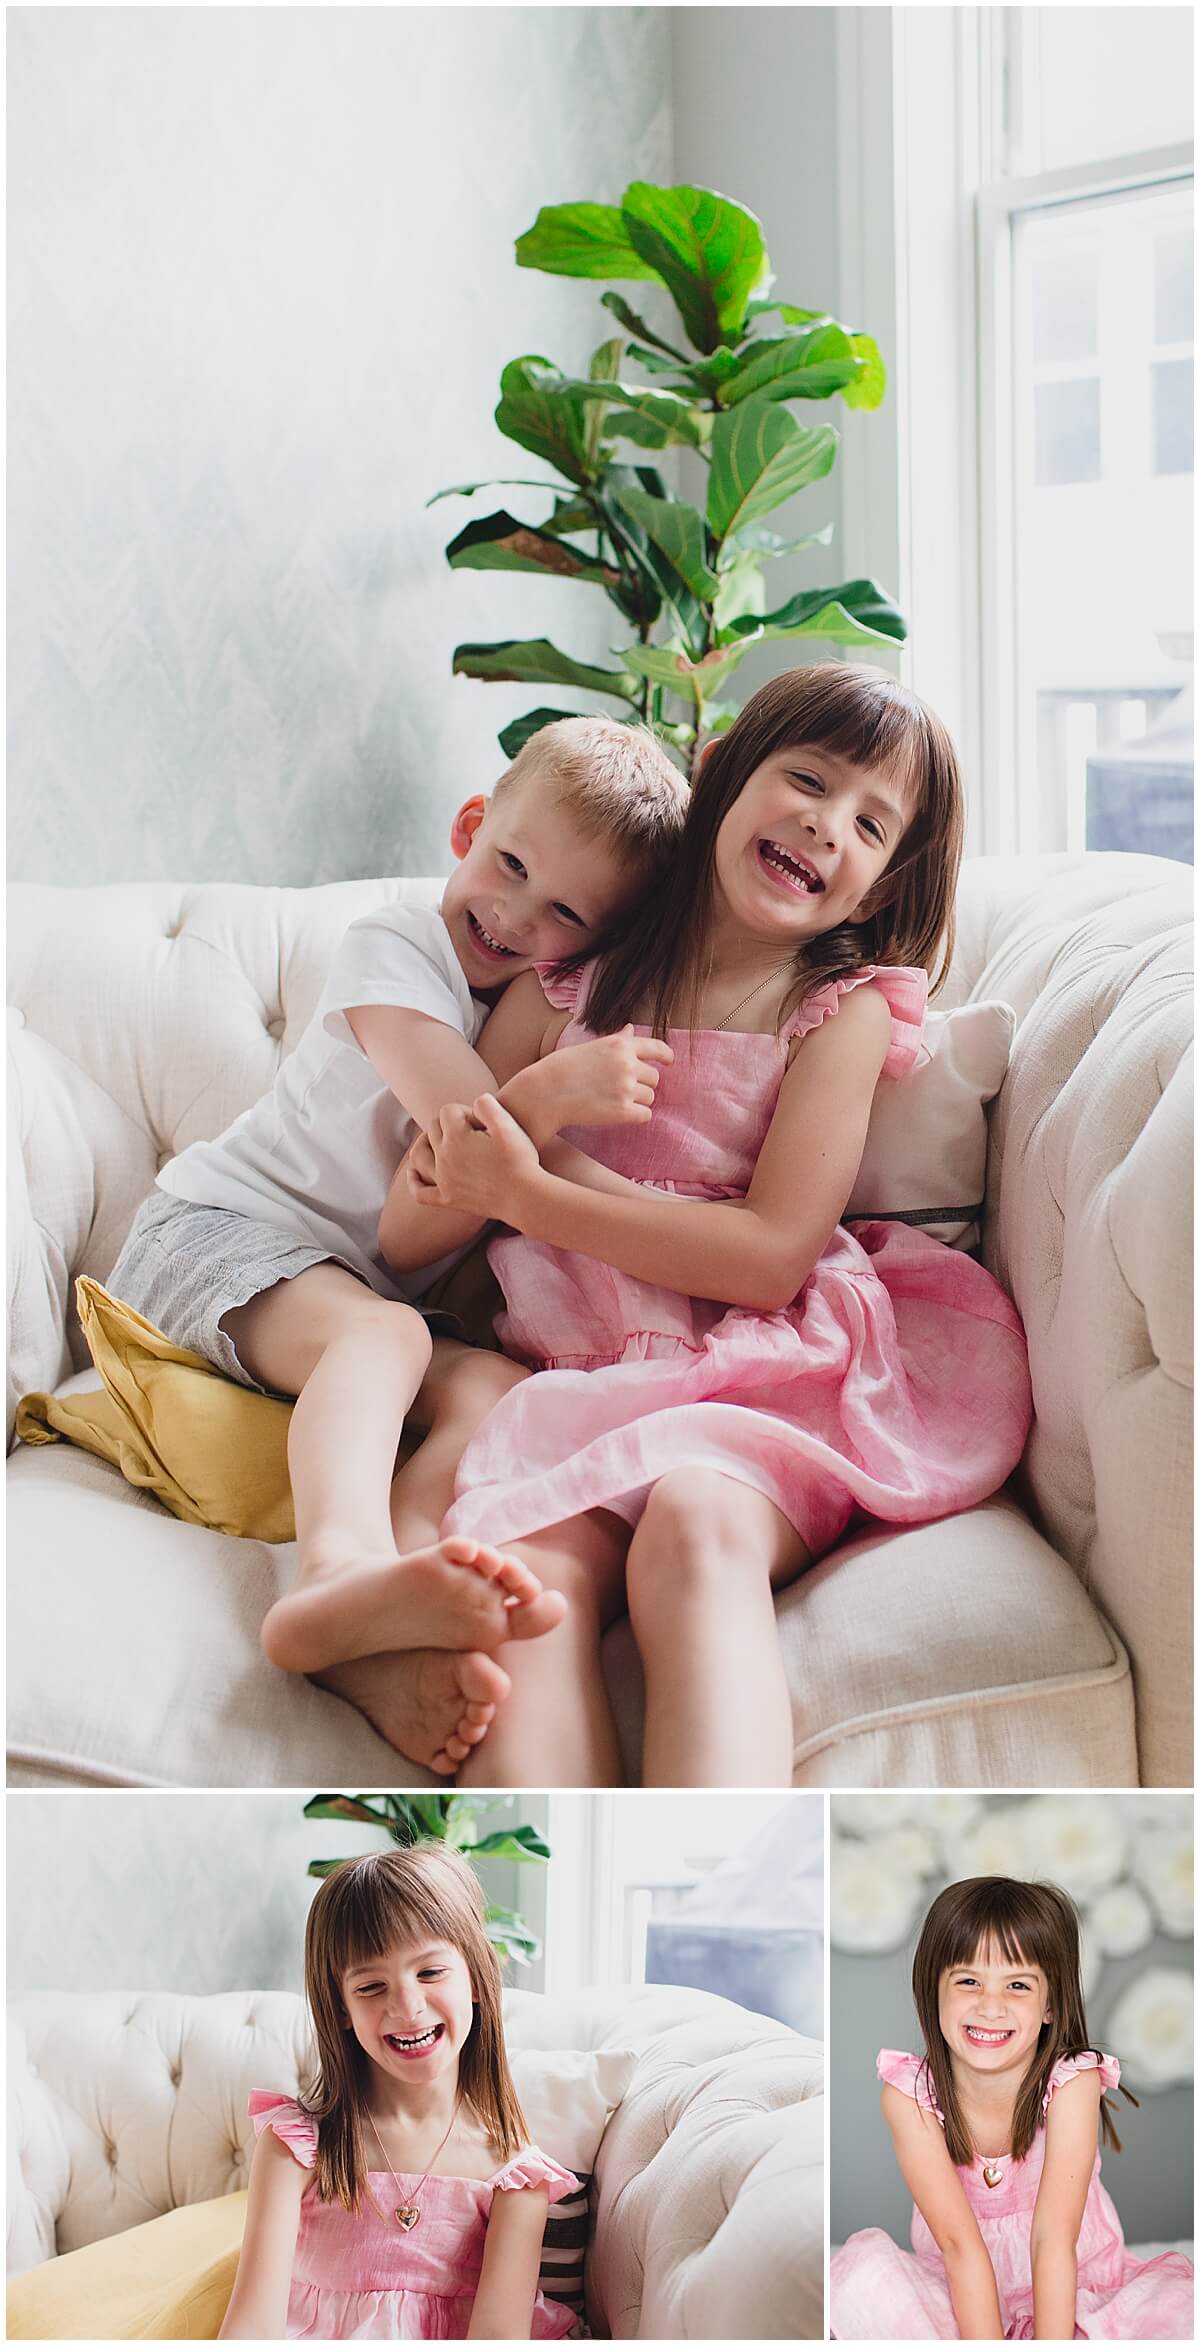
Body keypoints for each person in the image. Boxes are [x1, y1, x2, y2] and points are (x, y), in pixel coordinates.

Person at [362, 663, 1033, 1787]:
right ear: (722, 776)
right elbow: (412, 1232)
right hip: (576, 1372)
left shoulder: (839, 1011)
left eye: (870, 823)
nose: (826, 825)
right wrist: (514, 1132)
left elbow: (772, 1258)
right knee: (528, 1583)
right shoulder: (572, 982)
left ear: (879, 886)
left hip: (761, 1367)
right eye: (808, 781)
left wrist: (532, 1195)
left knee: (693, 1527)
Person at [103, 717, 687, 1770]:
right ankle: (336, 1570)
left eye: (564, 914)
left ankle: (398, 1612)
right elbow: (465, 1139)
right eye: (509, 865)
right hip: (213, 1236)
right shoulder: (393, 944)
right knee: (388, 1343)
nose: (514, 916)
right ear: (471, 827)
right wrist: (550, 1094)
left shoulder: (524, 1006)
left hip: (331, 1283)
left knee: (500, 1392)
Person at [219, 1844, 579, 2341]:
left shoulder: (514, 2175)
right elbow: (250, 2329)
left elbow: (498, 2336)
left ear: (476, 1977)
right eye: (371, 1987)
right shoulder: (297, 2148)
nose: (407, 2007)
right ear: (340, 2008)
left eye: (430, 1972)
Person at [829, 1874, 1194, 2339]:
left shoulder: (1071, 2084)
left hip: (1072, 2288)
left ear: (1050, 2005)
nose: (991, 2006)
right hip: (964, 2292)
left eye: (1018, 1986)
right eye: (968, 1981)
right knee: (861, 2276)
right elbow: (960, 2247)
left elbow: (1053, 2241)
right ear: (932, 1990)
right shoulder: (909, 2096)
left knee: (1174, 2315)